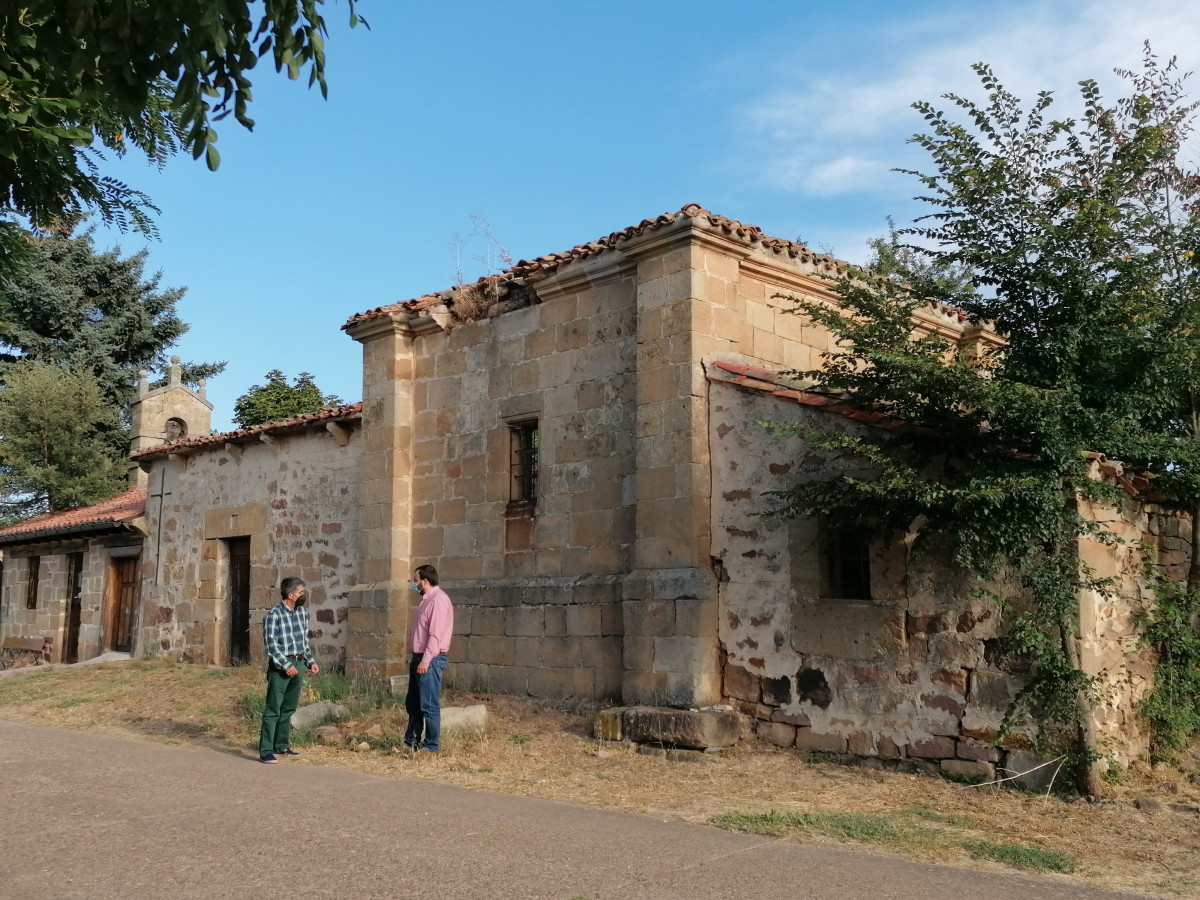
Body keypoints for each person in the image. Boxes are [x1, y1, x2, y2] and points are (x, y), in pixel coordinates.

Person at [259, 576, 319, 763]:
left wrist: (310, 661)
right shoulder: (273, 615)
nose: (304, 595)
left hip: (299, 665)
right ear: (291, 595)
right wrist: (286, 665)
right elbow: (271, 646)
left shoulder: (302, 613)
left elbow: (304, 642)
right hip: (281, 668)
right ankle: (266, 750)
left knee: (289, 708)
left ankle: (281, 745)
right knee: (273, 709)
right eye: (301, 592)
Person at [404, 564, 454, 754]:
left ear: (424, 581)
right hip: (419, 657)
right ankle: (411, 742)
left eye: (415, 580)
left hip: (430, 659)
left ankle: (430, 746)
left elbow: (435, 635)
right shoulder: (426, 600)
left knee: (428, 704)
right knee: (413, 703)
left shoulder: (438, 601)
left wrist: (426, 660)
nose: (413, 584)